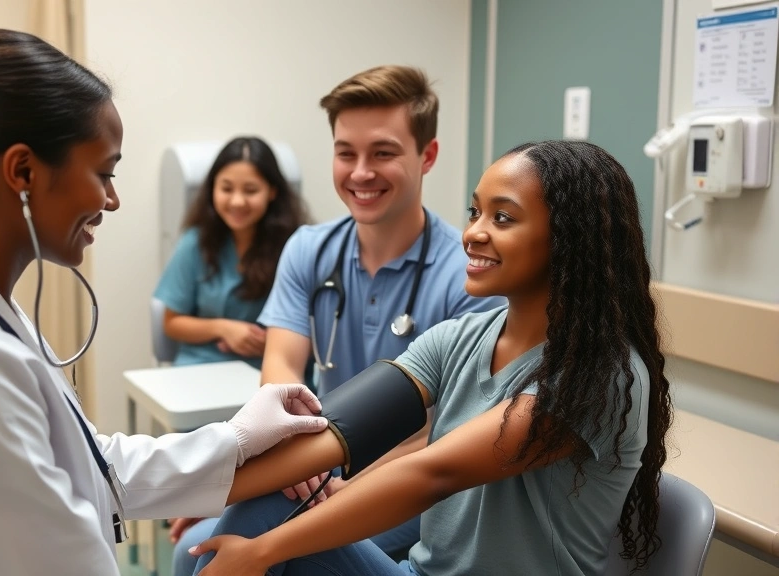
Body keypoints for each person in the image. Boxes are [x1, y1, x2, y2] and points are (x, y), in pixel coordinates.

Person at [0, 29, 335, 576]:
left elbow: (83, 468)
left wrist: (239, 436)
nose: (112, 198)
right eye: (104, 172)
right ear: (23, 172)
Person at [191, 140, 675, 576]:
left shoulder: (600, 376)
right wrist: (189, 490)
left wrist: (261, 553)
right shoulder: (459, 338)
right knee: (263, 508)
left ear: (570, 239)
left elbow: (432, 474)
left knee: (254, 546)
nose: (473, 234)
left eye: (502, 218)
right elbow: (335, 431)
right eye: (474, 212)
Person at [170, 65, 503, 575]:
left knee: (239, 534)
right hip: (314, 460)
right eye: (346, 153)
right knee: (190, 547)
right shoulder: (309, 249)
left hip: (409, 484)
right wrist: (261, 471)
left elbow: (445, 433)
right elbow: (280, 367)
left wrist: (320, 479)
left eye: (384, 153)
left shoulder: (470, 275)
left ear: (427, 156)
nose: (361, 172)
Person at [154, 136, 309, 369]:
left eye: (250, 190)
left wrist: (269, 341)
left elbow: (312, 324)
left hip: (271, 367)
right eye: (226, 188)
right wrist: (224, 329)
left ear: (272, 191)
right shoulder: (195, 242)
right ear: (213, 188)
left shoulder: (297, 246)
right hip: (201, 367)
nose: (237, 201)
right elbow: (172, 322)